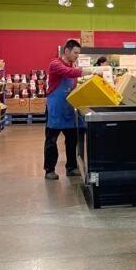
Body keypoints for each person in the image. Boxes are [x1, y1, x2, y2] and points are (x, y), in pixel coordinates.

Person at [45, 39, 86, 180]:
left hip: (68, 108)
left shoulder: (72, 65)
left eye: (78, 53)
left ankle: (71, 167)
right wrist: (91, 70)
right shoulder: (55, 64)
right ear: (66, 51)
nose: (77, 56)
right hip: (55, 108)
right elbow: (68, 73)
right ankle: (49, 170)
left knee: (71, 140)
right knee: (51, 140)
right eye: (75, 52)